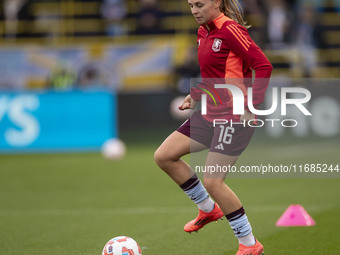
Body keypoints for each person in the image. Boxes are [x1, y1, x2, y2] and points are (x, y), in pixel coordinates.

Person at [154, 0, 272, 255]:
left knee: (213, 181)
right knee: (164, 156)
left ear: (217, 2)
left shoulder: (231, 30)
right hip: (210, 112)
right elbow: (215, 75)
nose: (194, 10)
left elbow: (263, 65)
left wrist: (252, 104)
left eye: (200, 4)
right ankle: (208, 209)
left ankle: (250, 245)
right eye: (190, 5)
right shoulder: (203, 32)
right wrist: (196, 94)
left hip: (234, 117)